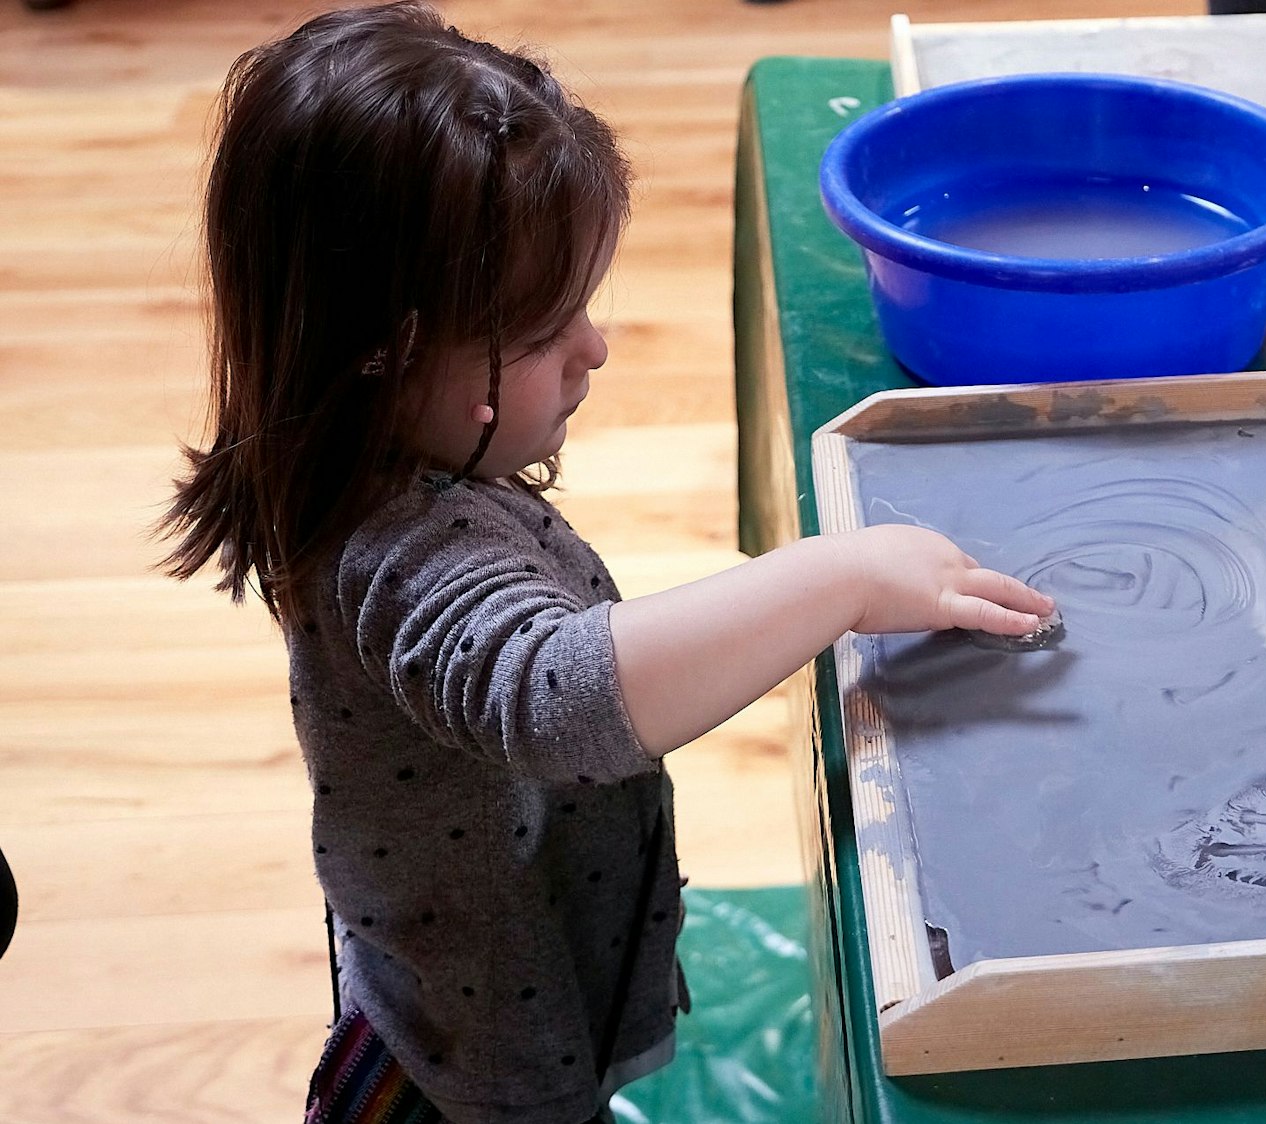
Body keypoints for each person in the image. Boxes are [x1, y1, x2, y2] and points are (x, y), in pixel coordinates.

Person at [158, 5, 1053, 1121]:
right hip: (482, 1051)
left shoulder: (378, 459)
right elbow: (555, 695)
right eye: (542, 332)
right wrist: (844, 577)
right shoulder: (391, 555)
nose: (596, 345)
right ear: (386, 351)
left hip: (515, 952)